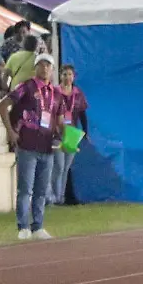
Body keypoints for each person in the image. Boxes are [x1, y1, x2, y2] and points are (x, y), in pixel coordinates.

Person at [0, 53, 65, 241]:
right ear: (35, 68)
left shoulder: (57, 94)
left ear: (53, 70)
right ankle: (23, 226)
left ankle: (38, 226)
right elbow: (3, 105)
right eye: (41, 65)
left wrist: (67, 139)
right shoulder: (26, 87)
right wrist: (10, 132)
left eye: (48, 66)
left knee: (41, 190)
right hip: (27, 144)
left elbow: (60, 121)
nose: (45, 69)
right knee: (25, 188)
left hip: (47, 146)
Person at [52, 64, 88, 206]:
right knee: (58, 166)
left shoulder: (78, 94)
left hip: (72, 132)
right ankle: (54, 197)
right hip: (57, 132)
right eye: (64, 74)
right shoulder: (55, 92)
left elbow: (82, 113)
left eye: (70, 75)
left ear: (74, 77)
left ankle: (61, 198)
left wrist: (86, 131)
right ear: (60, 76)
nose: (67, 78)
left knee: (66, 167)